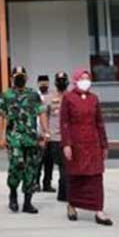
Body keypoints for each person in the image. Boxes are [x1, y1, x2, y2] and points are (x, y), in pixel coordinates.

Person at [60, 68, 113, 225]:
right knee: (76, 176)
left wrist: (104, 144)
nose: (85, 81)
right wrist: (66, 144)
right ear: (75, 80)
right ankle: (72, 205)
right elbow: (64, 123)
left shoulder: (94, 99)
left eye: (87, 78)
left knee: (96, 177)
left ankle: (99, 210)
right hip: (75, 142)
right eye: (82, 78)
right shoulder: (68, 98)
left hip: (93, 142)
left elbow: (99, 122)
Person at [0, 65, 47, 214]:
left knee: (31, 169)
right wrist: (1, 137)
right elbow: (1, 116)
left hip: (31, 138)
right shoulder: (6, 95)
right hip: (14, 138)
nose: (19, 79)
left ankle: (27, 202)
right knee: (16, 165)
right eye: (16, 76)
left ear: (26, 78)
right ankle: (13, 193)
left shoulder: (33, 95)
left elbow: (42, 113)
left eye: (22, 76)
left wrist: (46, 132)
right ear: (11, 78)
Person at [42, 71, 69, 200]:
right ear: (55, 82)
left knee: (66, 166)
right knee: (62, 165)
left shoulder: (71, 97)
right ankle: (63, 192)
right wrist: (46, 132)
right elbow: (44, 116)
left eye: (63, 80)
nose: (61, 83)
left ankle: (63, 193)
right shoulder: (49, 98)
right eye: (59, 80)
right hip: (55, 138)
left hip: (69, 137)